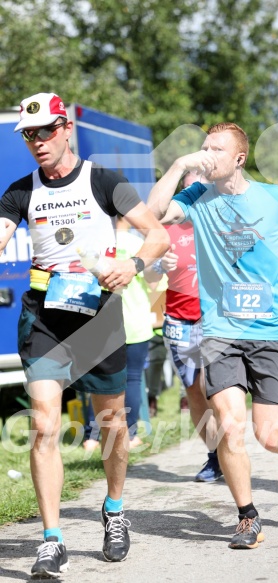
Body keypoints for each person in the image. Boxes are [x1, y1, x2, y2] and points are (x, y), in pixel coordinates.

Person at [0, 92, 169, 578]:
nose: (37, 142)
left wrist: (132, 264)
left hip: (98, 318)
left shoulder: (104, 181)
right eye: (29, 135)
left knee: (113, 425)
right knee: (47, 424)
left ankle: (114, 509)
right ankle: (51, 540)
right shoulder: (20, 191)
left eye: (45, 131)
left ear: (65, 128)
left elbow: (154, 235)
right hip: (45, 319)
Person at [147, 122, 278, 550]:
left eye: (216, 149)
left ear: (240, 158)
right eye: (204, 147)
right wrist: (179, 164)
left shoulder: (273, 198)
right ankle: (247, 517)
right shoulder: (196, 197)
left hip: (270, 332)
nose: (206, 154)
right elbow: (153, 214)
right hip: (219, 332)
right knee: (230, 427)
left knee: (270, 435)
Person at [148, 170, 222, 483]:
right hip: (179, 319)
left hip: (214, 318)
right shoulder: (166, 229)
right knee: (193, 391)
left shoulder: (220, 224)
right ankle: (215, 455)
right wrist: (156, 266)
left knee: (214, 388)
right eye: (188, 188)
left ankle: (228, 448)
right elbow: (148, 275)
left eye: (200, 187)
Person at [83, 215, 156, 451]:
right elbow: (155, 283)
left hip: (100, 323)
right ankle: (131, 434)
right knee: (132, 378)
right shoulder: (138, 245)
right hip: (135, 321)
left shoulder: (94, 244)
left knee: (97, 380)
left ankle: (92, 437)